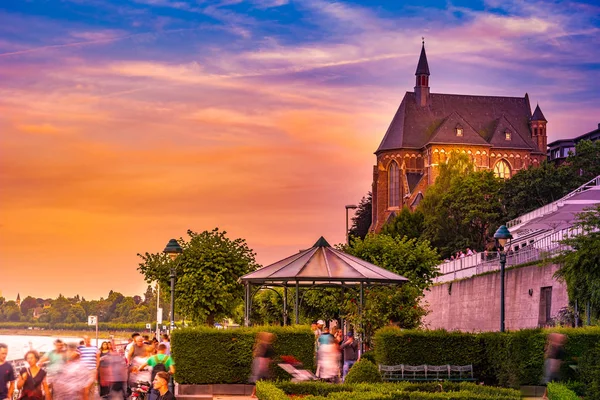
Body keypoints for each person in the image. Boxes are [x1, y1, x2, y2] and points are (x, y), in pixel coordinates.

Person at [249, 332, 275, 398]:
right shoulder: (263, 345)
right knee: (261, 379)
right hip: (262, 363)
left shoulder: (264, 344)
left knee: (262, 379)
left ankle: (254, 393)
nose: (270, 338)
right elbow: (261, 355)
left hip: (264, 363)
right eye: (269, 336)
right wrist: (262, 365)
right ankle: (254, 393)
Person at [542, 333, 567, 400]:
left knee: (551, 380)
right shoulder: (555, 346)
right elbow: (553, 357)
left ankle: (546, 395)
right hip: (552, 364)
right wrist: (554, 366)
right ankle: (545, 396)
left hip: (552, 363)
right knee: (551, 380)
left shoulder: (555, 346)